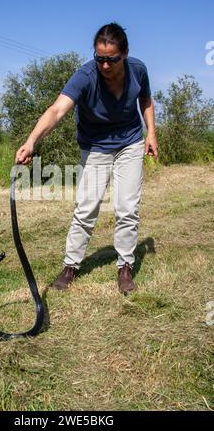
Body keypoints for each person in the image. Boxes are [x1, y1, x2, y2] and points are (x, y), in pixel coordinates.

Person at [15, 22, 158, 294]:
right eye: (99, 58)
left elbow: (146, 100)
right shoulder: (85, 76)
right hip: (95, 146)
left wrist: (151, 133)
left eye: (111, 59)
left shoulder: (138, 70)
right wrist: (31, 141)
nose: (104, 65)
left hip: (129, 143)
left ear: (125, 54)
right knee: (86, 207)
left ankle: (125, 266)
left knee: (127, 208)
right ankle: (71, 266)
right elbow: (57, 111)